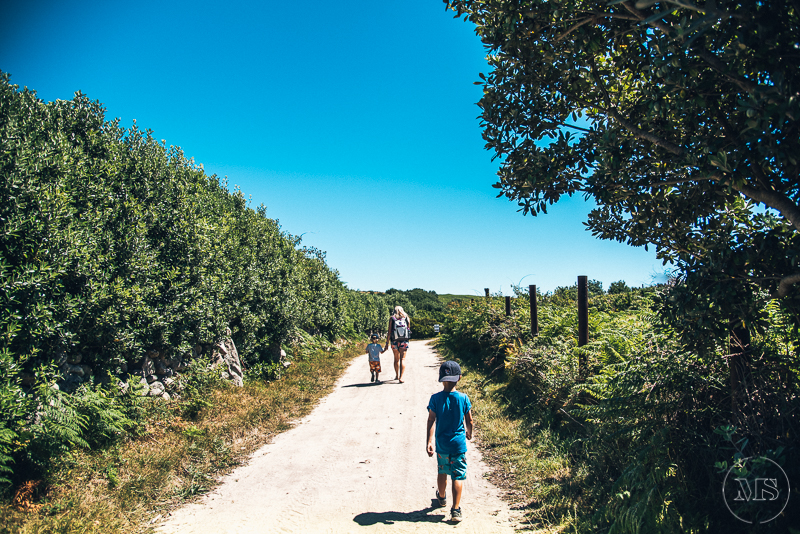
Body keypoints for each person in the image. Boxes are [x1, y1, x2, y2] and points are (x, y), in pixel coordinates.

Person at [426, 360, 473, 523]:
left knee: (442, 471)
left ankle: (442, 497)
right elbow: (470, 420)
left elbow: (431, 419)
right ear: (459, 378)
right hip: (458, 445)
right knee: (458, 476)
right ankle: (455, 510)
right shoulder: (464, 398)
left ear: (441, 378)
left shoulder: (435, 398)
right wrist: (469, 432)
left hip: (442, 444)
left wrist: (429, 441)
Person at [384, 306, 411, 383]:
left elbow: (389, 332)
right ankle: (401, 377)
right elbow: (408, 330)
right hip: (404, 341)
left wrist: (386, 343)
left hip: (394, 341)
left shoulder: (392, 318)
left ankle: (397, 375)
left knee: (396, 359)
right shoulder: (406, 318)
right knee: (403, 359)